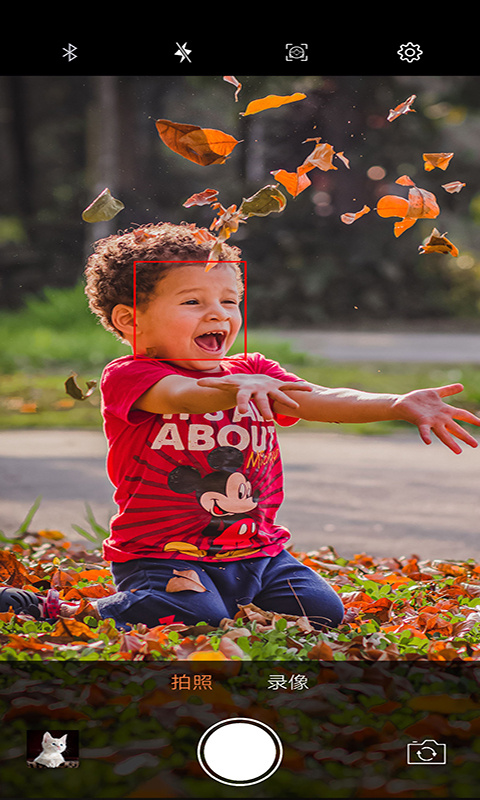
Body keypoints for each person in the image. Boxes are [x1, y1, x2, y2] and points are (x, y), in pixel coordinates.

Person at [2, 221, 479, 632]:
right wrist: (239, 388)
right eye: (193, 301)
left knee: (322, 612)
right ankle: (59, 609)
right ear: (131, 320)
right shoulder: (131, 376)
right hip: (162, 554)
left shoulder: (253, 370)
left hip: (259, 554)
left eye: (229, 301)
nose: (218, 314)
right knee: (193, 615)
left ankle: (224, 599)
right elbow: (183, 395)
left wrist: (395, 403)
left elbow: (321, 398)